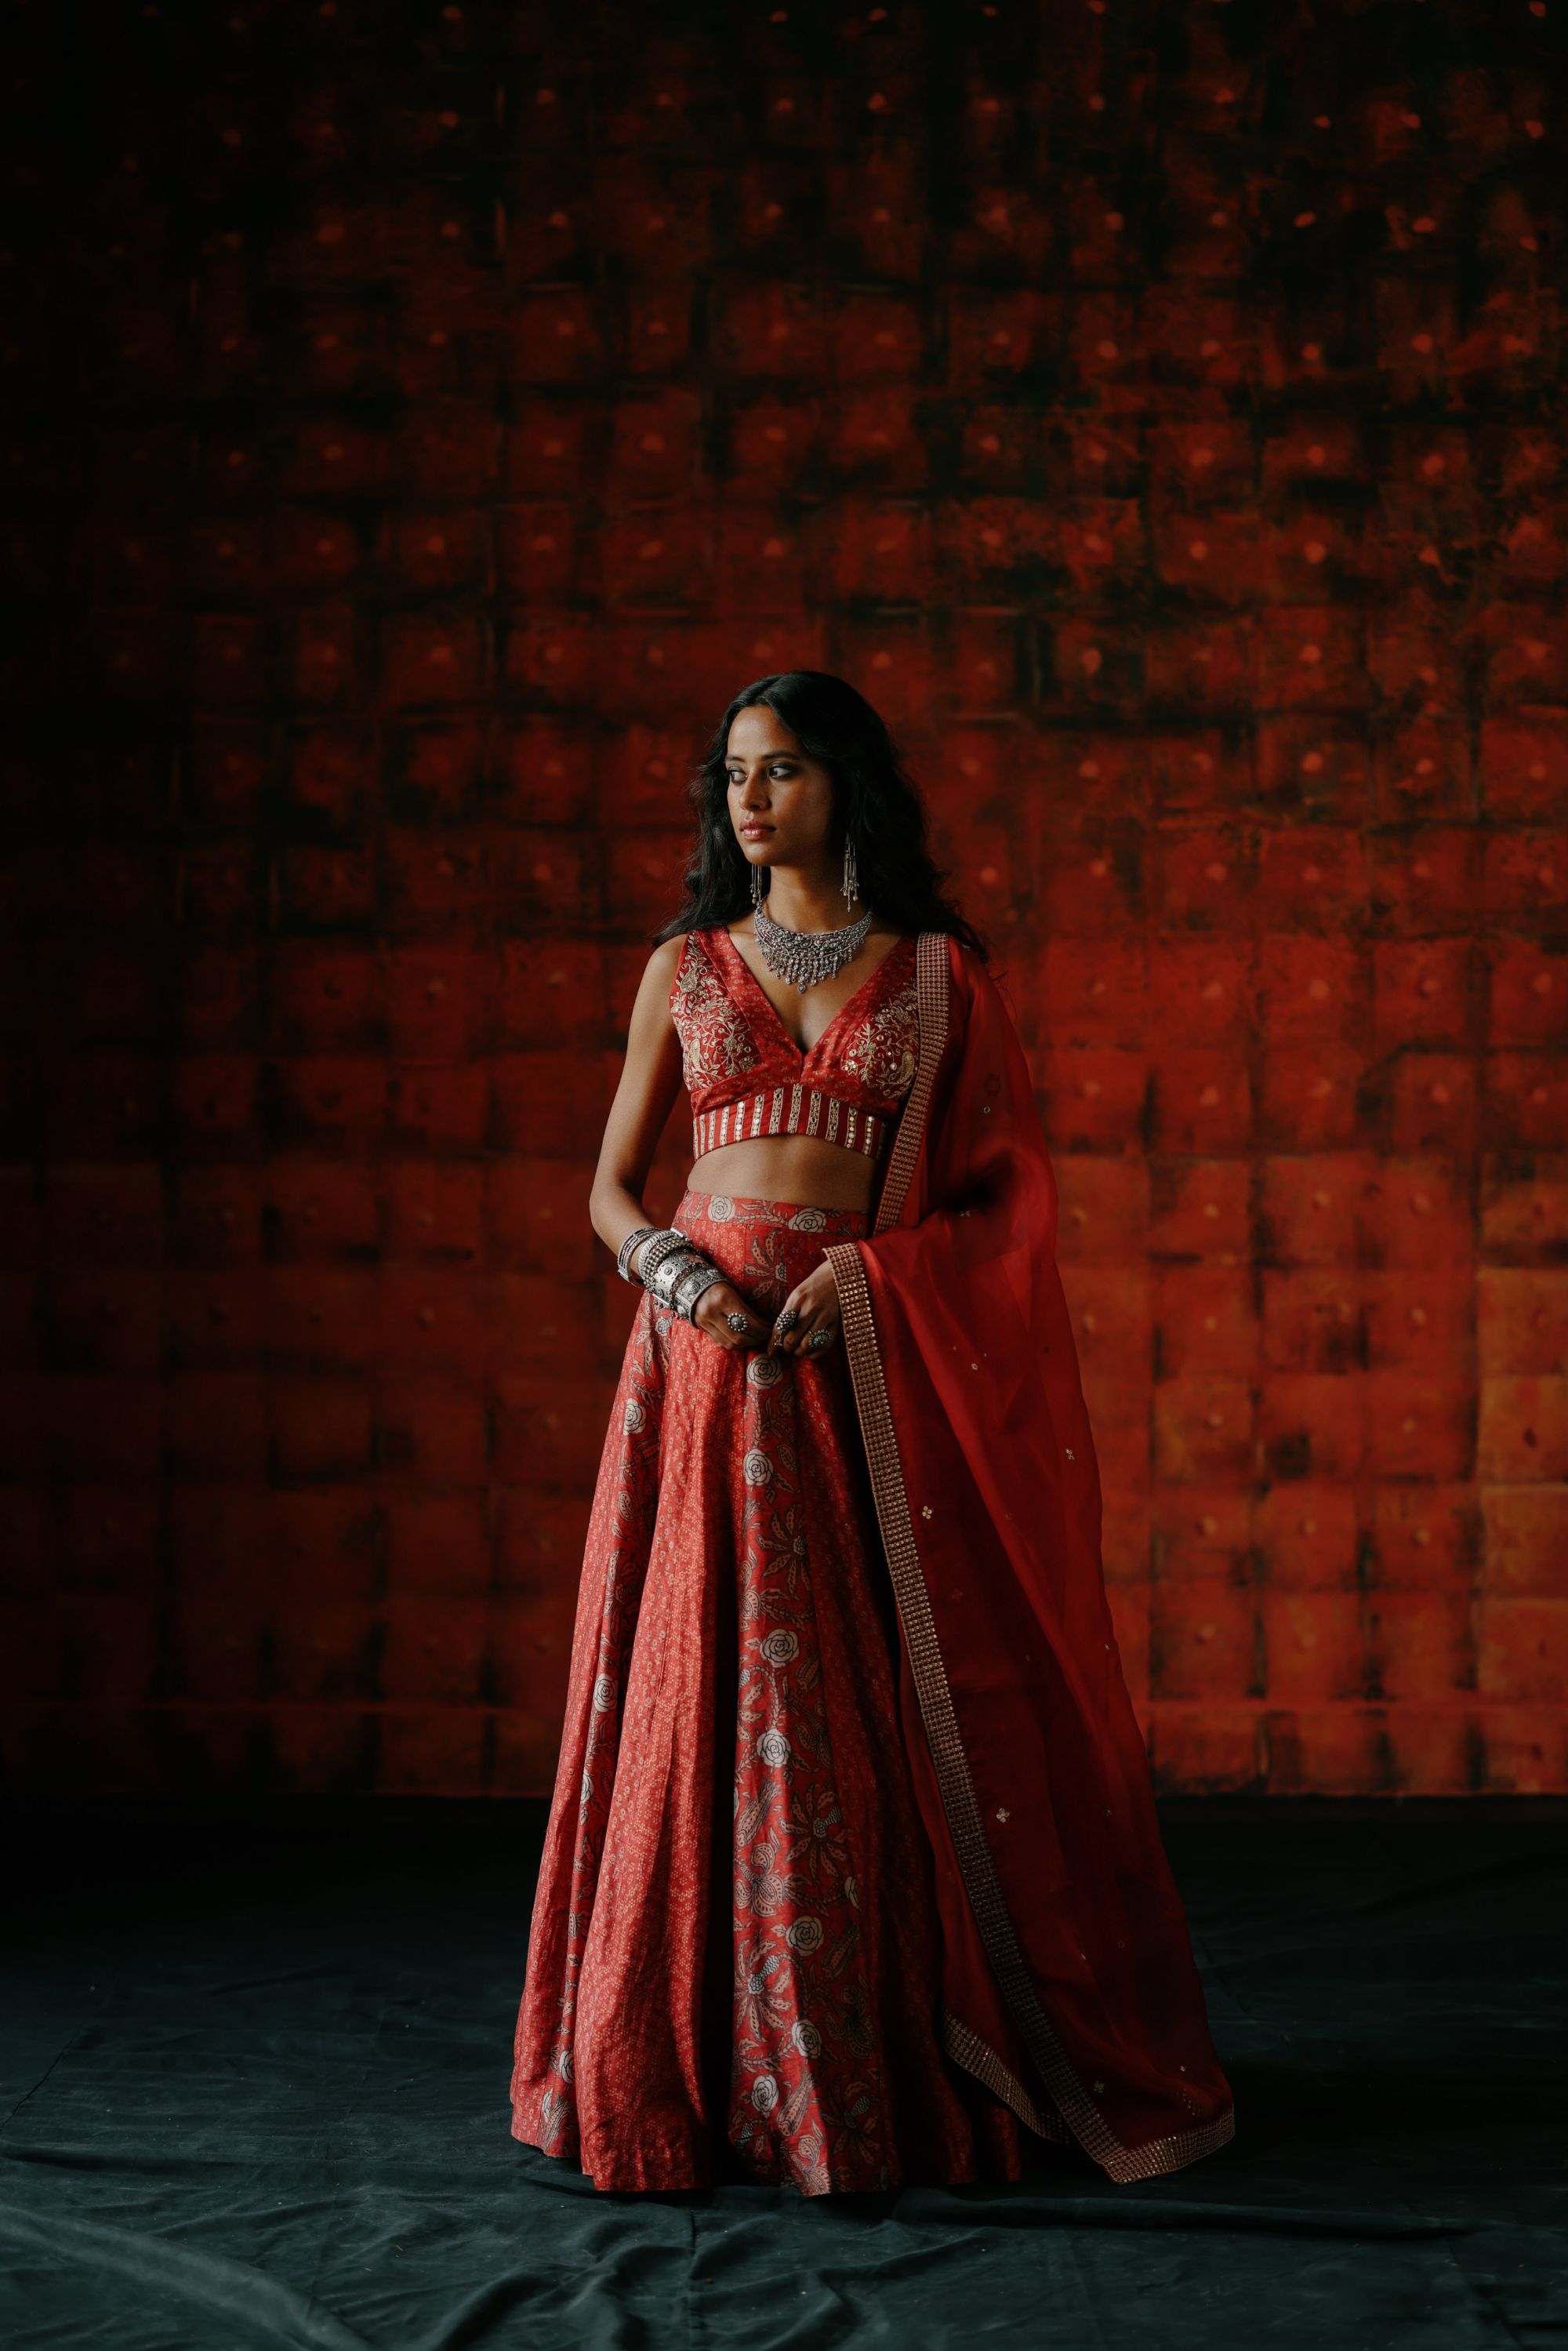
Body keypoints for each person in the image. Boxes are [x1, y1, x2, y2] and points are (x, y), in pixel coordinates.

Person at [510, 671, 1235, 2196]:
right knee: (697, 1684)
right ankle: (689, 2064)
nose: (748, 799)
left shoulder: (936, 980)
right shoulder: (684, 967)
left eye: (779, 770)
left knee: (848, 1696)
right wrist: (679, 1277)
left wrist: (865, 1284)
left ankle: (858, 2057)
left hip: (853, 1376)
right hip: (701, 1371)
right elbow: (610, 1189)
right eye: (732, 773)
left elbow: (1004, 1208)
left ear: (847, 782)